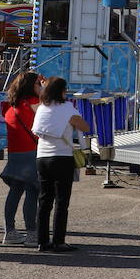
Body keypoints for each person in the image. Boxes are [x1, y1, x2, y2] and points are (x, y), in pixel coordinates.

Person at [31, 77, 90, 253]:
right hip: (62, 157)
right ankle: (58, 241)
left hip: (42, 157)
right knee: (61, 201)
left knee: (44, 201)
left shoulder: (42, 108)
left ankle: (42, 241)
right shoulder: (67, 108)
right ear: (62, 91)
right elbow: (84, 126)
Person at [0, 71, 41, 245]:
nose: (41, 87)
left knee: (15, 191)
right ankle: (32, 232)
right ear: (31, 86)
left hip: (15, 153)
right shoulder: (33, 104)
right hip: (30, 153)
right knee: (33, 192)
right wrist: (46, 88)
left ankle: (9, 231)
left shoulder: (11, 107)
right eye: (38, 84)